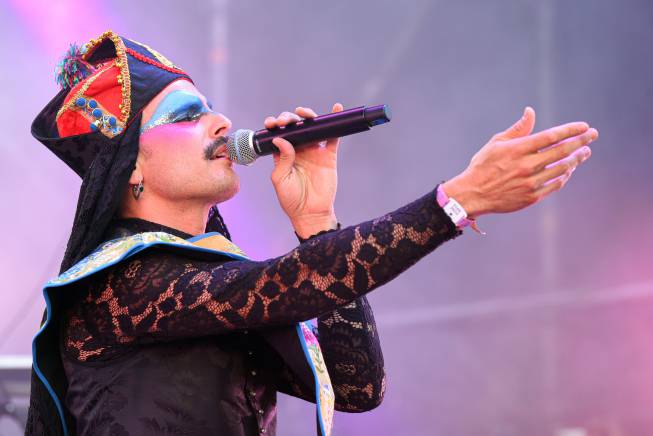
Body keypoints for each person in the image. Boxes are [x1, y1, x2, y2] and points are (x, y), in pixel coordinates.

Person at [26, 31, 598, 436]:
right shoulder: (116, 287)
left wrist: (316, 220)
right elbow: (287, 283)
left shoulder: (210, 283)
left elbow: (357, 387)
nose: (222, 123)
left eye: (211, 107)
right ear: (132, 168)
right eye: (185, 115)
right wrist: (458, 201)